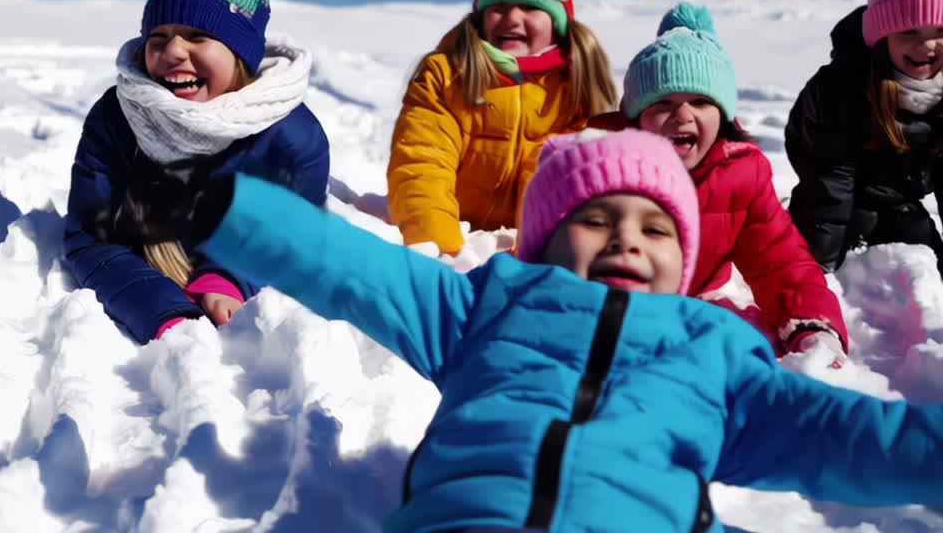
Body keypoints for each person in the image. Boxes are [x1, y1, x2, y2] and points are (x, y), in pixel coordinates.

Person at [194, 128, 941, 532]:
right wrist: (219, 210)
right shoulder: (485, 310)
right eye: (595, 218)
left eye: (656, 228)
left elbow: (852, 436)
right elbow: (350, 267)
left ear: (682, 262)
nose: (627, 240)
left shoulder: (715, 358)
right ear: (543, 241)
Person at [62, 0, 329, 344]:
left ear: (241, 52)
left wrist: (228, 279)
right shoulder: (116, 118)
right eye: (158, 37)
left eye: (198, 36)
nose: (171, 53)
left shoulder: (290, 134)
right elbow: (89, 236)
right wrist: (159, 307)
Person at [590, 2, 847, 360]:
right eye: (663, 103)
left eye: (700, 101)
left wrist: (811, 324)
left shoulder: (740, 176)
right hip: (607, 310)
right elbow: (547, 253)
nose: (682, 115)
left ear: (724, 115)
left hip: (695, 302)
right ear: (635, 118)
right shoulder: (598, 163)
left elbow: (780, 261)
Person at [387, 0, 616, 255]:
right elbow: (422, 163)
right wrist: (439, 250)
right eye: (498, 7)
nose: (511, 18)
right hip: (454, 238)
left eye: (529, 7)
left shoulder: (577, 87)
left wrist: (540, 257)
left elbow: (577, 186)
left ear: (557, 21)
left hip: (533, 249)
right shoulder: (447, 74)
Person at [787, 0, 943, 280]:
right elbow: (829, 187)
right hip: (826, 186)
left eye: (940, 32)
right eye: (909, 32)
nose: (927, 46)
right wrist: (817, 272)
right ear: (882, 37)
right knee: (831, 246)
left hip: (896, 195)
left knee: (923, 255)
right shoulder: (842, 87)